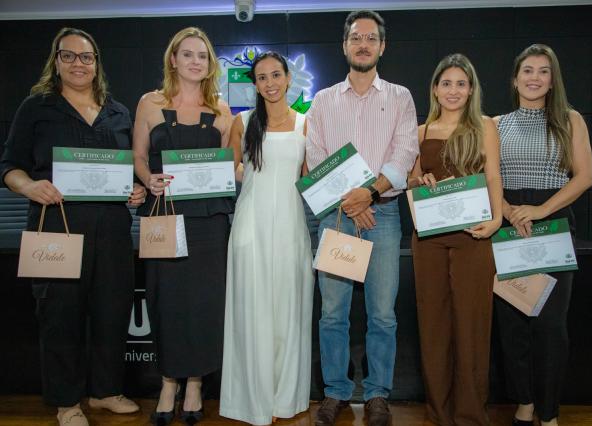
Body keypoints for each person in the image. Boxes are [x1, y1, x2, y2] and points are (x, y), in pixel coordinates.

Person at [0, 27, 143, 426]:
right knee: (60, 315)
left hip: (112, 230)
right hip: (55, 226)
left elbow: (128, 170)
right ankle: (66, 402)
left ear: (96, 63)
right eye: (69, 56)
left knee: (112, 311)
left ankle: (105, 392)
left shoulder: (118, 112)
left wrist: (133, 190)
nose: (78, 64)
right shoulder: (37, 107)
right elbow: (9, 166)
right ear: (57, 61)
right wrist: (30, 186)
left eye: (86, 57)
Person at [305, 10, 419, 426]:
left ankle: (376, 395)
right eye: (356, 37)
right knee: (332, 313)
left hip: (384, 217)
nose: (363, 44)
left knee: (382, 315)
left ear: (382, 46)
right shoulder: (323, 100)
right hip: (336, 218)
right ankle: (335, 392)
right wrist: (354, 202)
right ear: (345, 45)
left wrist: (368, 194)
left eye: (371, 38)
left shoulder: (401, 97)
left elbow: (404, 154)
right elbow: (316, 158)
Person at [132, 27, 233, 425]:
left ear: (210, 64)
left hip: (209, 223)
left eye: (202, 56)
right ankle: (168, 382)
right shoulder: (149, 103)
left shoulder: (222, 110)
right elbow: (138, 157)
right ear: (173, 60)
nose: (195, 61)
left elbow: (229, 166)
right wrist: (147, 179)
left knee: (205, 304)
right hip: (163, 216)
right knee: (166, 301)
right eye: (187, 54)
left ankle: (194, 383)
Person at [493, 44, 592, 426]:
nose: (534, 78)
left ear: (552, 81)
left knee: (550, 325)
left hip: (552, 223)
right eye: (528, 70)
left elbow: (585, 177)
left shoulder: (570, 119)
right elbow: (488, 178)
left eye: (543, 71)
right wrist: (508, 211)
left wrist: (539, 210)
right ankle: (524, 403)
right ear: (515, 79)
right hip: (508, 225)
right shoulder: (495, 124)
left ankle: (548, 412)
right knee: (512, 323)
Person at [407, 54, 503, 426]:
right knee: (433, 325)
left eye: (461, 84)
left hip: (474, 236)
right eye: (446, 83)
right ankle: (439, 414)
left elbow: (492, 176)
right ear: (435, 89)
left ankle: (471, 415)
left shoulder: (485, 126)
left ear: (471, 89)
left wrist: (496, 219)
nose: (453, 90)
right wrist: (420, 181)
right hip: (429, 238)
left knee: (472, 325)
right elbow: (412, 180)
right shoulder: (421, 131)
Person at [219, 51, 314, 426]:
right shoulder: (242, 122)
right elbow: (226, 171)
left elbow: (312, 177)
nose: (270, 83)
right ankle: (252, 400)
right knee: (252, 312)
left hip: (291, 227)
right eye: (262, 77)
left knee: (289, 311)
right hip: (250, 227)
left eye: (276, 75)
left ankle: (285, 399)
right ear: (255, 85)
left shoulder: (306, 123)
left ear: (289, 78)